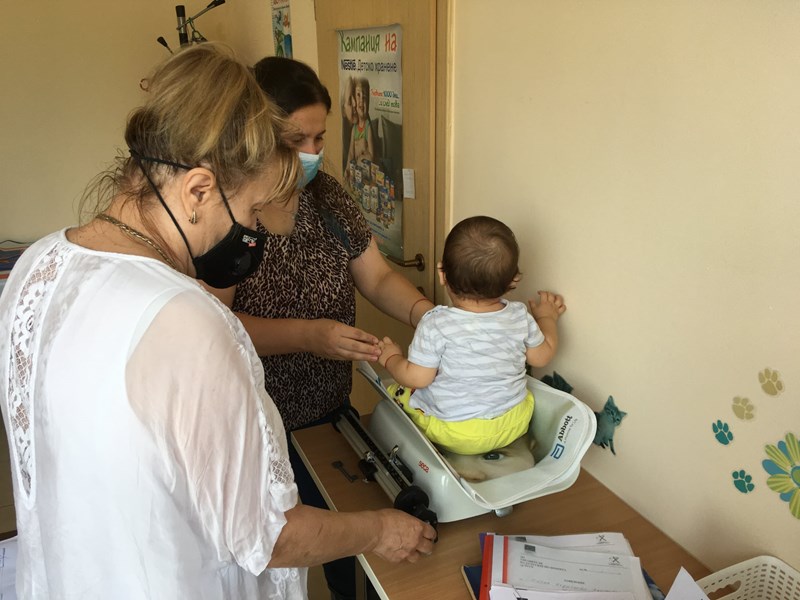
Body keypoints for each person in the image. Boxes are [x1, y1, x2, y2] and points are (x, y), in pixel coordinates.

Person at [0, 44, 435, 599]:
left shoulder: (38, 263)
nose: (252, 232)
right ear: (198, 190)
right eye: (252, 212)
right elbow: (267, 535)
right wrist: (380, 529)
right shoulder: (187, 320)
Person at [207, 56, 434, 600]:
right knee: (279, 544)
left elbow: (377, 276)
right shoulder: (229, 210)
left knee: (344, 537)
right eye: (296, 141)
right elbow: (216, 326)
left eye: (319, 138)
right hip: (263, 421)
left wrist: (428, 315)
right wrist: (308, 335)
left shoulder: (328, 196)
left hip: (329, 411)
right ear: (257, 137)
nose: (311, 153)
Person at [377, 216, 566, 456]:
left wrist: (391, 358)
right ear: (513, 281)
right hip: (514, 422)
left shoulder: (435, 323)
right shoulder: (519, 315)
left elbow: (417, 378)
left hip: (455, 433)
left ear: (442, 274)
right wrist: (547, 317)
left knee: (400, 393)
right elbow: (542, 356)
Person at [346, 77, 375, 166]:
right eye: (358, 95)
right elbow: (351, 153)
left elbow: (372, 156)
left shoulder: (368, 127)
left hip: (365, 168)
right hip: (356, 170)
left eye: (364, 97)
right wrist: (347, 168)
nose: (361, 100)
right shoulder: (354, 129)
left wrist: (360, 158)